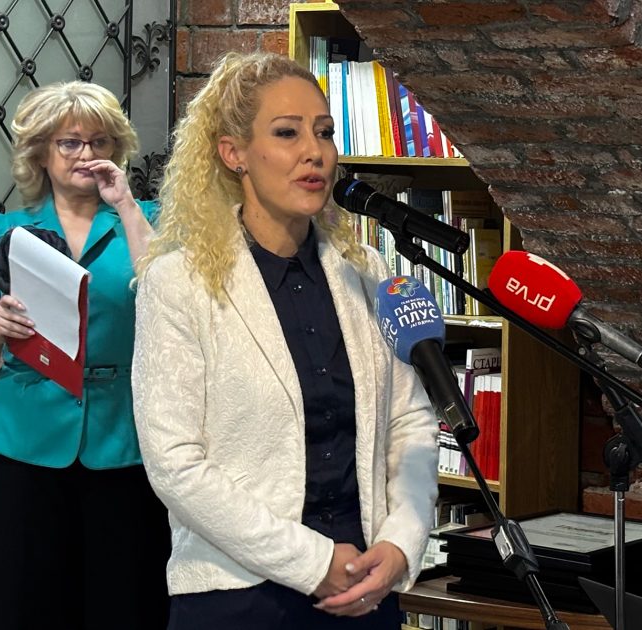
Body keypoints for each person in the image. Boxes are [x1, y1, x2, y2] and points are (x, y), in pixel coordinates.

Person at [131, 51, 439, 630]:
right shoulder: (179, 283)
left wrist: (401, 543)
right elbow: (174, 464)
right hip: (238, 595)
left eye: (324, 132)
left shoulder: (366, 273)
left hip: (365, 585)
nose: (314, 152)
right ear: (233, 154)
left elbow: (410, 421)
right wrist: (312, 561)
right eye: (287, 133)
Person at [0, 81, 169, 629]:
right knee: (18, 604)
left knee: (124, 603)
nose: (86, 155)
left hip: (125, 444)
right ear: (41, 153)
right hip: (21, 445)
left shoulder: (151, 221)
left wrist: (125, 204)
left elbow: (168, 295)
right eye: (70, 143)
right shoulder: (5, 232)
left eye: (100, 142)